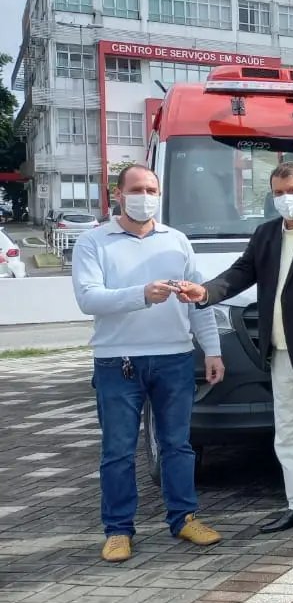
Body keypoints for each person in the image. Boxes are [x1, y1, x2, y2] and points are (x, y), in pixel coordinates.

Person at [178, 163, 293, 543]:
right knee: (290, 436)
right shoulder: (266, 235)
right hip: (279, 355)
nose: (285, 198)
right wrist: (205, 292)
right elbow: (239, 273)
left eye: (292, 190)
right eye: (278, 193)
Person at [71, 164, 224, 563]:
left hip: (174, 357)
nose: (145, 197)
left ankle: (184, 517)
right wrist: (141, 294)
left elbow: (198, 300)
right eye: (137, 189)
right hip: (117, 361)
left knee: (178, 445)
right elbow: (88, 298)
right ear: (118, 194)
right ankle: (118, 529)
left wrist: (212, 350)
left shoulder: (176, 240)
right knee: (118, 450)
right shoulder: (94, 242)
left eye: (152, 189)